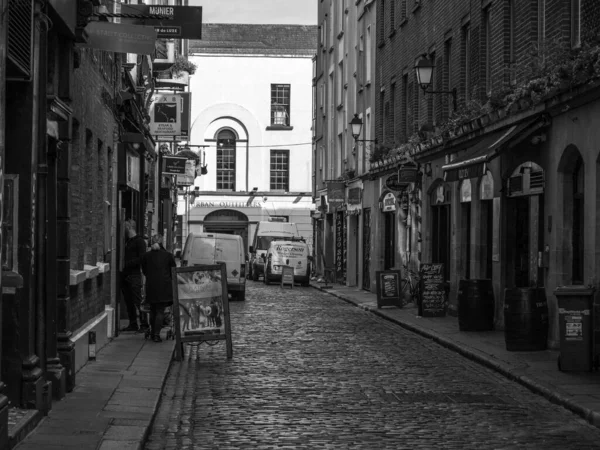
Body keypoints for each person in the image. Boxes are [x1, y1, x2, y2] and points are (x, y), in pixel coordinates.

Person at [141, 234, 176, 342]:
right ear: (162, 242)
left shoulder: (146, 256)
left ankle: (152, 333)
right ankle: (156, 334)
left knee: (153, 309)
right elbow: (173, 271)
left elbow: (145, 271)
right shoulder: (168, 256)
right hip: (164, 286)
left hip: (151, 285)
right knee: (160, 310)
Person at [120, 219, 149, 332]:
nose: (123, 230)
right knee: (128, 301)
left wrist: (127, 263)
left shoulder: (139, 241)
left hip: (134, 275)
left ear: (129, 227)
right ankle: (133, 324)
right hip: (125, 274)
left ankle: (144, 324)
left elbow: (142, 258)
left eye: (125, 228)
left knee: (137, 301)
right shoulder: (127, 241)